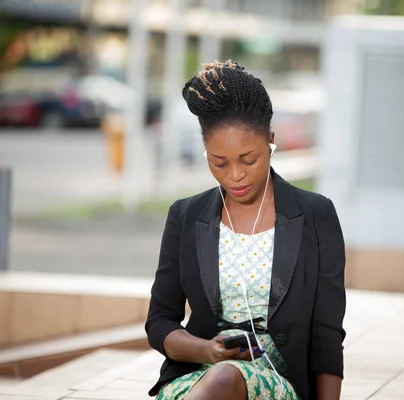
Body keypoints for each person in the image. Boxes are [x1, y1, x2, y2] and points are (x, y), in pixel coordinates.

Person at [145, 60, 346, 400]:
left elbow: (327, 334)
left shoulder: (315, 215)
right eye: (218, 162)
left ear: (270, 140)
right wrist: (208, 351)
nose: (234, 175)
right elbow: (160, 322)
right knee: (221, 376)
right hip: (196, 377)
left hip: (279, 383)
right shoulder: (187, 216)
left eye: (248, 159)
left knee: (227, 378)